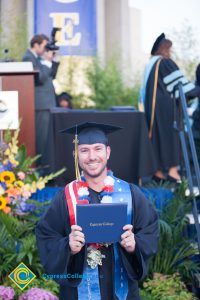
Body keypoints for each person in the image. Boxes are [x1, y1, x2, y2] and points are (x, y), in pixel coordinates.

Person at [35, 122, 159, 300]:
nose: (92, 156)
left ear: (107, 152)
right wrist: (67, 247)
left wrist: (134, 245)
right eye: (84, 150)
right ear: (76, 155)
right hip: (78, 293)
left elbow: (150, 231)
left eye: (98, 149)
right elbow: (46, 235)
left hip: (121, 292)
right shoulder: (65, 197)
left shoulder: (130, 194)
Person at [139, 33, 200, 183]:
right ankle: (173, 172)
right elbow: (181, 87)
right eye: (169, 49)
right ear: (164, 49)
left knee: (159, 138)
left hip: (156, 110)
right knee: (170, 137)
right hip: (166, 110)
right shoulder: (164, 63)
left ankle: (159, 173)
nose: (170, 53)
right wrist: (196, 90)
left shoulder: (152, 64)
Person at [22, 34, 57, 169]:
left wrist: (50, 61)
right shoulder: (28, 58)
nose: (45, 49)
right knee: (41, 139)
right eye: (44, 46)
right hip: (41, 105)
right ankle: (40, 168)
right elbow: (40, 78)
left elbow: (51, 75)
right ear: (36, 45)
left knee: (45, 138)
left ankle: (44, 167)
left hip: (45, 104)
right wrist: (47, 61)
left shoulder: (37, 58)